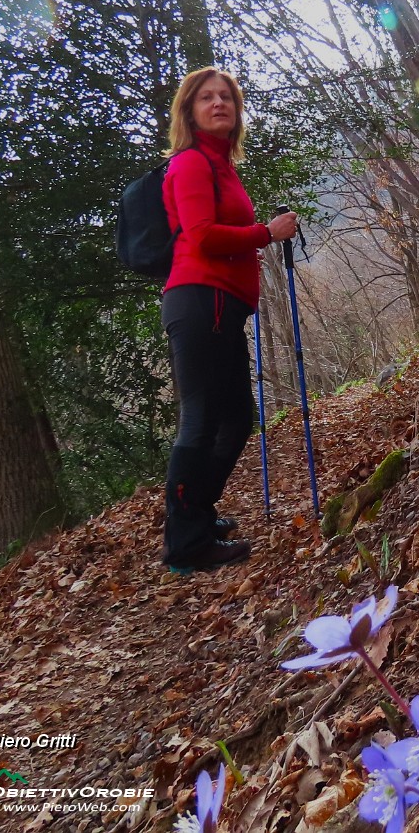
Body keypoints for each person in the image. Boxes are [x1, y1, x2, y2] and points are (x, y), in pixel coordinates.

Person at [159, 66, 297, 573]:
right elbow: (201, 236)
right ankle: (186, 543)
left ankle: (195, 510)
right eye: (206, 98)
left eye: (227, 98)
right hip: (199, 301)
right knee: (201, 419)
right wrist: (266, 232)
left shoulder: (221, 165)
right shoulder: (191, 163)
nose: (219, 104)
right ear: (189, 110)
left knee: (237, 417)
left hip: (219, 304)